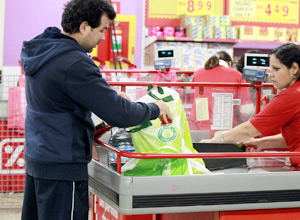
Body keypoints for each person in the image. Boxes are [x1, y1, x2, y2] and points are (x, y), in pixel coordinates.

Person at [20, 1, 172, 220]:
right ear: (84, 27)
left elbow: (62, 96)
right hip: (63, 167)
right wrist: (155, 108)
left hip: (40, 158)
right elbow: (120, 114)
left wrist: (105, 95)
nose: (102, 37)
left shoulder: (45, 50)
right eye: (101, 30)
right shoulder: (74, 62)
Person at [201, 43, 300, 167]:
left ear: (294, 69)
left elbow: (249, 129)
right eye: (271, 68)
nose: (271, 74)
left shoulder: (290, 96)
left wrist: (218, 140)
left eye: (276, 69)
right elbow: (294, 137)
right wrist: (262, 143)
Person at [188, 51, 252, 138]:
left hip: (198, 128)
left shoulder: (197, 73)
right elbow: (245, 109)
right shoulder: (237, 75)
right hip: (225, 130)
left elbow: (193, 98)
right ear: (229, 63)